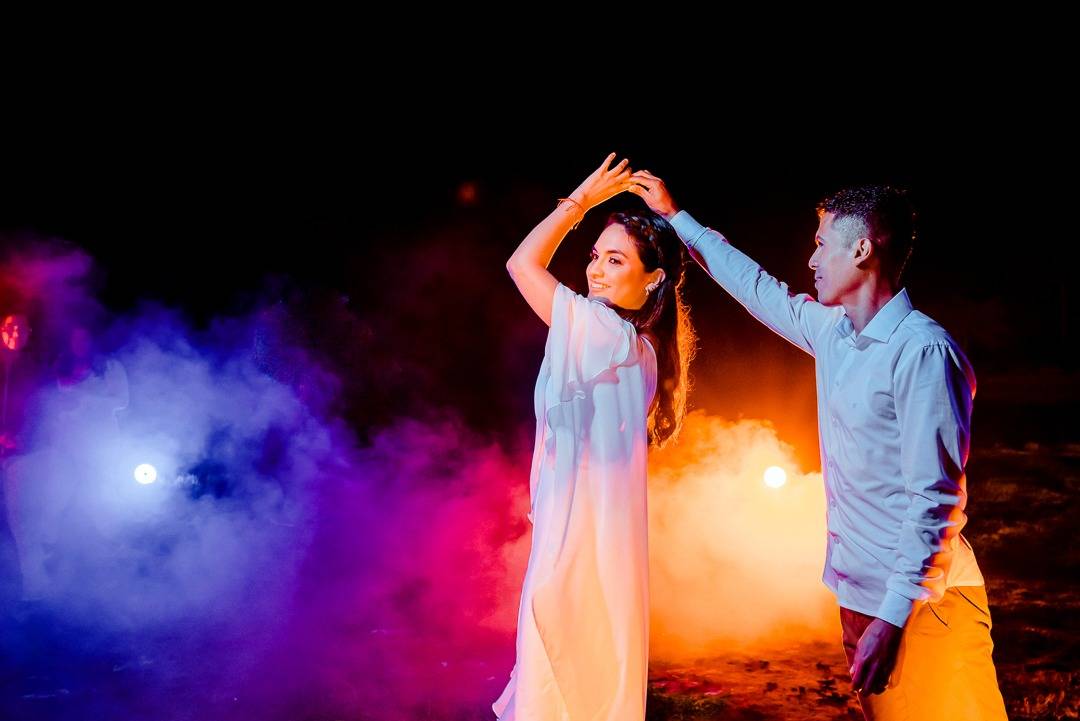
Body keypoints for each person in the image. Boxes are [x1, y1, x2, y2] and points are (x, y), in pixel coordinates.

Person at [629, 172, 1007, 719]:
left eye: (822, 244)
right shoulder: (833, 332)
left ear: (862, 250)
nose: (811, 259)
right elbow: (755, 286)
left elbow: (936, 502)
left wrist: (893, 618)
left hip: (926, 609)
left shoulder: (922, 351)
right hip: (861, 598)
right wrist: (675, 217)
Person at [493, 154, 695, 720]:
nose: (596, 271)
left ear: (653, 278)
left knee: (557, 683)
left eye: (615, 259)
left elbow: (521, 264)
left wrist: (580, 200)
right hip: (595, 547)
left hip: (577, 545)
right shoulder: (641, 349)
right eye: (595, 257)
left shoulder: (604, 332)